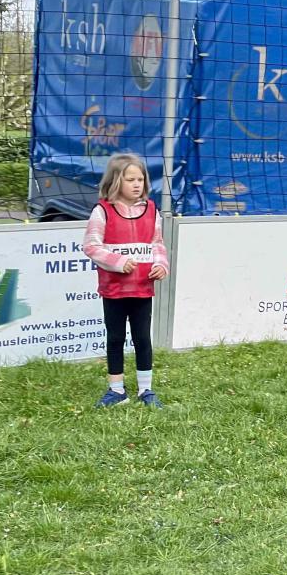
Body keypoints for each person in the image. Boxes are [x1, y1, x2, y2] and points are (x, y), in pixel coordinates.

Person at [82, 153, 169, 409]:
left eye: (140, 179)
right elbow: (91, 246)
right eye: (130, 179)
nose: (137, 184)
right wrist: (118, 262)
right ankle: (117, 390)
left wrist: (160, 264)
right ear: (115, 181)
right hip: (114, 289)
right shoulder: (102, 212)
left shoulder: (152, 210)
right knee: (115, 337)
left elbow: (157, 243)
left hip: (142, 289)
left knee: (143, 338)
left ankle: (146, 390)